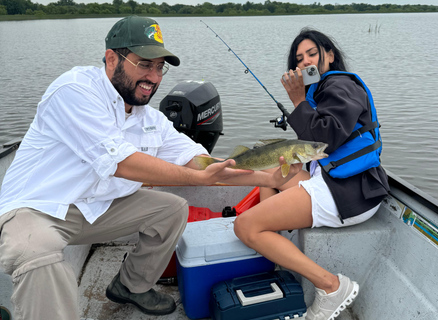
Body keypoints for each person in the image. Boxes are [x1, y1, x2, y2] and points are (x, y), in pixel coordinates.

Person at [0, 16, 302, 320]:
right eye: (144, 64)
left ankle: (131, 285)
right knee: (37, 253)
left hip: (99, 206)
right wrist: (197, 176)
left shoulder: (151, 119)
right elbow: (121, 163)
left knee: (172, 210)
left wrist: (268, 176)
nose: (154, 77)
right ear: (111, 59)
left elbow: (201, 162)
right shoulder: (75, 90)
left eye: (159, 67)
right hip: (37, 208)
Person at [234, 27, 390, 320]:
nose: (305, 62)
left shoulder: (340, 85)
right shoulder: (320, 91)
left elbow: (326, 137)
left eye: (312, 54)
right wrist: (303, 101)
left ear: (330, 55)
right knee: (272, 169)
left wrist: (297, 101)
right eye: (299, 58)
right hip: (338, 182)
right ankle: (273, 243)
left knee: (244, 226)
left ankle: (331, 286)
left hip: (351, 194)